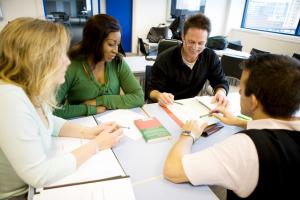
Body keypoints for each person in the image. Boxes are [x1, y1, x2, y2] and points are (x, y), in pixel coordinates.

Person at [0, 18, 123, 200]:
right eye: (60, 55)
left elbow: (50, 121)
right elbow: (39, 175)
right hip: (21, 194)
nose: (67, 62)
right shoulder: (8, 98)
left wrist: (89, 132)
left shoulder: (29, 89)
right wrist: (96, 145)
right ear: (38, 59)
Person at [163, 54, 300, 199]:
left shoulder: (245, 147)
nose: (239, 92)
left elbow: (172, 170)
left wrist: (188, 134)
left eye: (241, 89)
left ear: (254, 102)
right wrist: (237, 121)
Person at [54, 14, 144, 119]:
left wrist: (100, 101)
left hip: (112, 124)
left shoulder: (117, 62)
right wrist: (89, 109)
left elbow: (139, 97)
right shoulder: (71, 66)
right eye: (111, 44)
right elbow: (52, 109)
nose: (116, 50)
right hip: (81, 127)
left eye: (117, 44)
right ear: (94, 42)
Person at [149, 13, 229, 107]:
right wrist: (159, 96)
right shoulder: (165, 59)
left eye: (201, 43)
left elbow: (220, 81)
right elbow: (151, 90)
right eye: (191, 42)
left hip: (191, 107)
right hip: (168, 106)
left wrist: (221, 93)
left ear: (206, 41)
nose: (195, 48)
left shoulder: (210, 56)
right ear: (183, 37)